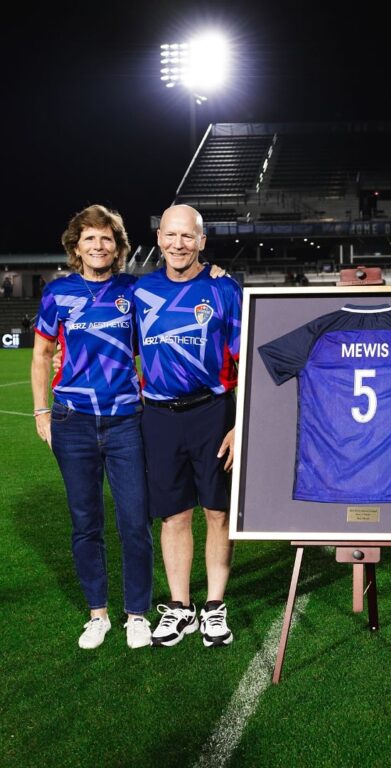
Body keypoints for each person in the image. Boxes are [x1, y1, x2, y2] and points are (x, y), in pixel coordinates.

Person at [30, 204, 154, 650]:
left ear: (118, 247)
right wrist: (42, 412)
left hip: (125, 420)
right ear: (76, 247)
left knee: (134, 520)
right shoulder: (57, 293)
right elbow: (42, 355)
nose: (98, 245)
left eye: (107, 238)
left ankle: (137, 613)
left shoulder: (135, 290)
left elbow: (155, 341)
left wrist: (213, 273)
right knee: (86, 523)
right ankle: (97, 613)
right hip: (72, 420)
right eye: (90, 238)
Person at [134, 204, 242, 649]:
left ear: (202, 242)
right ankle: (180, 608)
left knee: (218, 512)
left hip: (213, 413)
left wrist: (240, 424)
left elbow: (247, 355)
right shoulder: (140, 290)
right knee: (174, 514)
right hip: (158, 416)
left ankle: (214, 607)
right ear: (159, 238)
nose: (178, 244)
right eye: (170, 235)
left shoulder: (224, 289)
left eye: (188, 236)